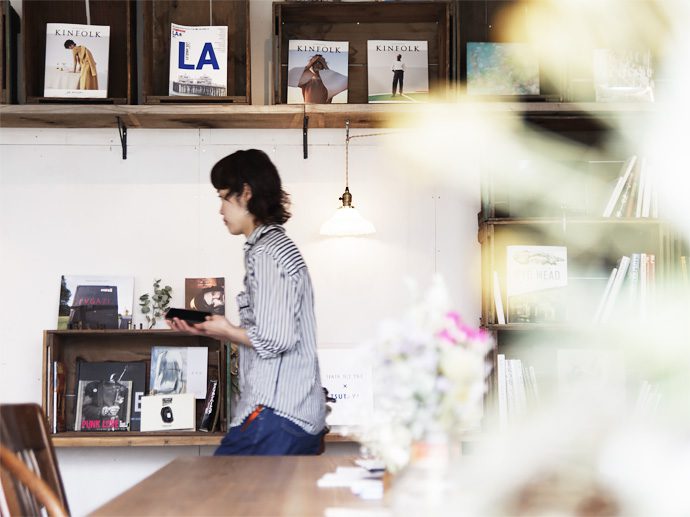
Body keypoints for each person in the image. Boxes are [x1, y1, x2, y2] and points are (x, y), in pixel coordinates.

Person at [167, 149, 327, 455]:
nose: (220, 209)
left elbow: (275, 338)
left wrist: (227, 330)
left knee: (216, 496)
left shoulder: (267, 253)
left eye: (223, 197)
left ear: (246, 194)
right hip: (293, 415)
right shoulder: (276, 247)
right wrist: (213, 330)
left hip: (276, 413)